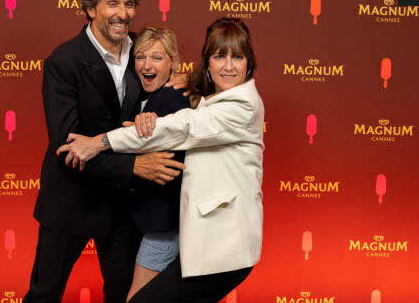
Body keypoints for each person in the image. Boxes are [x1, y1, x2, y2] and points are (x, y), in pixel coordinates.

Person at [59, 17, 265, 302]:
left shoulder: (241, 104)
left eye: (238, 57)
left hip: (224, 247)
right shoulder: (207, 98)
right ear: (206, 64)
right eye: (219, 57)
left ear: (249, 64)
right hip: (203, 241)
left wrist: (100, 141)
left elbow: (183, 126)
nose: (228, 66)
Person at [24, 0, 186, 303]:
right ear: (90, 8)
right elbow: (67, 147)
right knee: (44, 294)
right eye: (112, 3)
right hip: (71, 200)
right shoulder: (63, 62)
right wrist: (135, 167)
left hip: (121, 206)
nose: (123, 13)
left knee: (124, 296)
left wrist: (179, 81)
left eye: (129, 4)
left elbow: (167, 74)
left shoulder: (143, 51)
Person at [124, 27, 190, 301]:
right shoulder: (155, 98)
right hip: (161, 223)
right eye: (140, 57)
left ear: (174, 62)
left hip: (163, 226)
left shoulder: (166, 99)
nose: (147, 65)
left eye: (156, 57)